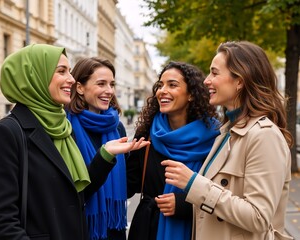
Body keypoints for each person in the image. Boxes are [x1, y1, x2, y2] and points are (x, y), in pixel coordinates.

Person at [0, 44, 149, 240]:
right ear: (34, 75)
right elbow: (2, 223)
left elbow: (78, 194)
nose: (71, 79)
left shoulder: (61, 127)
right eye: (61, 71)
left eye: (69, 71)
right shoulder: (6, 132)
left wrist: (105, 155)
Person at [162, 41, 293, 240]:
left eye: (214, 73)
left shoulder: (264, 135)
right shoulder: (226, 132)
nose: (206, 81)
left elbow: (258, 217)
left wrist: (193, 184)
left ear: (239, 81)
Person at [127, 61, 220, 240]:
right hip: (147, 230)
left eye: (172, 85)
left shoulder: (214, 137)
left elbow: (224, 195)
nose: (162, 91)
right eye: (160, 85)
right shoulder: (147, 133)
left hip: (194, 230)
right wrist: (114, 156)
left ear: (191, 94)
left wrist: (185, 205)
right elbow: (129, 186)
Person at [65, 57, 129, 240]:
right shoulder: (65, 128)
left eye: (112, 84)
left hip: (113, 229)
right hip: (81, 228)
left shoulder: (117, 127)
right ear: (80, 88)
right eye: (101, 84)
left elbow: (129, 183)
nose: (109, 91)